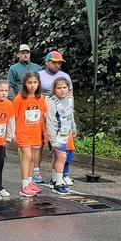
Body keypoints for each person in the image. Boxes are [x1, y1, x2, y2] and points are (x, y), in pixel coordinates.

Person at [38, 50, 73, 185]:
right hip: (46, 111)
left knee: (64, 150)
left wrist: (72, 116)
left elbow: (70, 95)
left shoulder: (65, 76)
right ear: (47, 62)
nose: (57, 65)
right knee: (46, 146)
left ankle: (61, 176)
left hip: (64, 117)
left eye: (59, 63)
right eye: (54, 63)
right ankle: (36, 173)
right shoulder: (40, 75)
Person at [13, 72, 48, 197]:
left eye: (35, 82)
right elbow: (14, 117)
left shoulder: (41, 98)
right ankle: (24, 185)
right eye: (29, 83)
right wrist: (13, 133)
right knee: (27, 156)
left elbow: (43, 117)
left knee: (33, 158)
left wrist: (45, 133)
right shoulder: (19, 98)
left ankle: (30, 181)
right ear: (24, 84)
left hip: (36, 133)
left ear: (38, 83)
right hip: (23, 132)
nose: (32, 85)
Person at [46, 78, 75, 195]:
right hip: (56, 134)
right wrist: (52, 139)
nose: (62, 90)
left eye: (64, 87)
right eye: (59, 88)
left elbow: (70, 115)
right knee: (61, 156)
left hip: (66, 132)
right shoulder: (52, 102)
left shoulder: (70, 99)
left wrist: (73, 127)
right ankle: (59, 182)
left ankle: (54, 179)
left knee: (58, 157)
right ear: (54, 89)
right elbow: (49, 121)